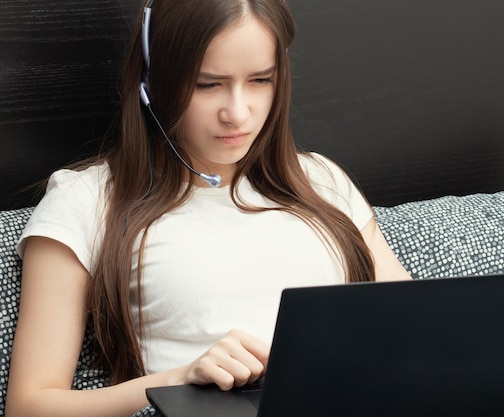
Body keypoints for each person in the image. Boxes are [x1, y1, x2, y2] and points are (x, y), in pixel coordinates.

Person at [5, 0, 411, 416]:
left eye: (259, 80)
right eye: (207, 84)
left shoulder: (320, 180)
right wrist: (176, 380)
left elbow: (418, 330)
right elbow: (29, 406)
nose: (237, 113)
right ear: (152, 82)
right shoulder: (87, 200)